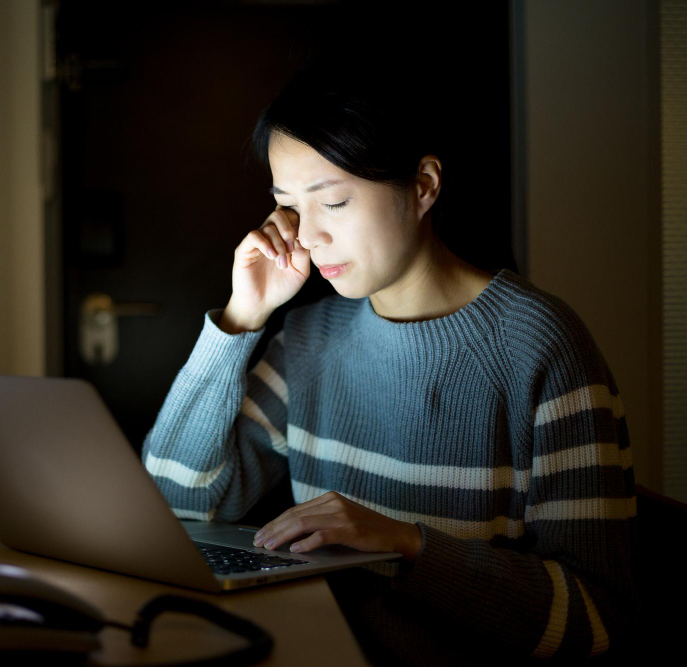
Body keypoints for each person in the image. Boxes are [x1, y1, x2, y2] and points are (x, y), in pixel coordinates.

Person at [139, 64, 640, 666]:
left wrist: (408, 545)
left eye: (334, 201)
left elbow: (595, 621)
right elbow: (175, 504)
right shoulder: (308, 337)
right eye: (287, 207)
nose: (308, 237)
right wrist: (240, 320)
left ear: (424, 186)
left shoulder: (541, 345)